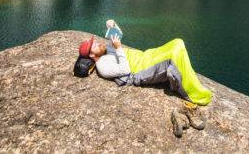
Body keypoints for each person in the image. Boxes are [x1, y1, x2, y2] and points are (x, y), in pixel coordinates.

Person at [78, 20, 213, 107]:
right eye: (94, 45)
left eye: (95, 42)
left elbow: (118, 35)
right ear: (91, 54)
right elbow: (125, 70)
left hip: (143, 57)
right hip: (139, 70)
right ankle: (195, 94)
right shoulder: (103, 66)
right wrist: (119, 47)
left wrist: (112, 25)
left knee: (178, 42)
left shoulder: (105, 50)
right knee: (174, 55)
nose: (97, 43)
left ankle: (179, 79)